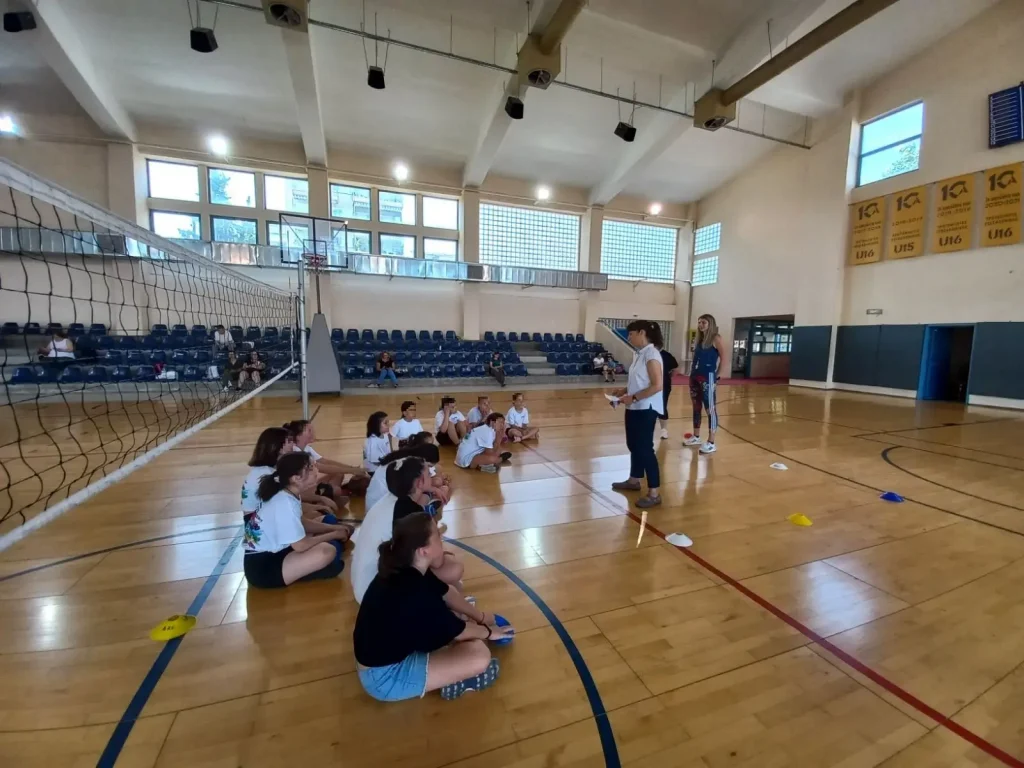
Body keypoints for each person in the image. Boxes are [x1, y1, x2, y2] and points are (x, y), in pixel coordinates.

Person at [353, 512, 512, 702]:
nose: (441, 537)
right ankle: (458, 680)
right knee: (479, 655)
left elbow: (447, 592)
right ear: (423, 550)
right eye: (437, 535)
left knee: (456, 598)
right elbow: (459, 631)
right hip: (384, 678)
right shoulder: (414, 592)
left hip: (386, 653)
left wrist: (481, 617)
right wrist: (490, 632)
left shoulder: (409, 568)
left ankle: (444, 668)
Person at [352, 454, 462, 603]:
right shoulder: (410, 513)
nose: (432, 477)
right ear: (419, 482)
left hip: (364, 583)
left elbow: (421, 500)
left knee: (444, 570)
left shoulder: (393, 499)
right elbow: (437, 562)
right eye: (428, 475)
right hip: (378, 592)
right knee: (454, 569)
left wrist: (432, 491)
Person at [242, 452, 350, 589]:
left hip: (279, 550)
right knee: (328, 551)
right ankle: (312, 569)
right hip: (263, 566)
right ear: (296, 478)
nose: (316, 470)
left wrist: (333, 529)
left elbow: (301, 522)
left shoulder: (288, 492)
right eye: (311, 468)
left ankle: (313, 564)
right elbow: (300, 546)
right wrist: (333, 534)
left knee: (328, 522)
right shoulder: (284, 502)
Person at [609, 320, 664, 509]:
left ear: (642, 333)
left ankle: (654, 492)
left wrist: (633, 397)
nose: (629, 337)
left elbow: (657, 385)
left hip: (645, 408)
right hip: (634, 407)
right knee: (633, 445)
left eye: (631, 334)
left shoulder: (651, 354)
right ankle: (634, 480)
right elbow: (640, 381)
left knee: (645, 449)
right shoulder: (639, 354)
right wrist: (624, 391)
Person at [243, 426, 340, 520]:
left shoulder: (268, 469)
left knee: (322, 509)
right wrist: (319, 503)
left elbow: (290, 501)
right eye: (289, 441)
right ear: (278, 447)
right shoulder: (267, 474)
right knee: (318, 515)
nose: (293, 444)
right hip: (258, 521)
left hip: (265, 516)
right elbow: (286, 505)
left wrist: (320, 501)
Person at [283, 419, 371, 496]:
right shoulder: (296, 453)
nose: (313, 432)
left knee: (338, 474)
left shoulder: (306, 448)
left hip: (307, 485)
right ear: (298, 436)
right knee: (336, 490)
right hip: (300, 490)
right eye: (309, 431)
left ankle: (330, 494)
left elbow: (325, 461)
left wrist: (352, 468)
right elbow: (322, 468)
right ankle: (334, 494)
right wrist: (351, 471)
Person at [364, 437, 451, 512]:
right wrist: (434, 490)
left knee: (426, 489)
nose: (429, 470)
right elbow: (418, 489)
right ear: (424, 459)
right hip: (383, 507)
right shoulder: (410, 465)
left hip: (375, 505)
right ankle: (424, 509)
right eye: (429, 466)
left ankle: (426, 504)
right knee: (421, 493)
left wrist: (434, 489)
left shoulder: (405, 457)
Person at [683, 314, 726, 455]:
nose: (701, 325)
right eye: (699, 322)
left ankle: (711, 442)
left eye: (704, 322)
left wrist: (717, 375)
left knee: (710, 409)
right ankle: (696, 436)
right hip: (695, 376)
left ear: (710, 324)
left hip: (708, 377)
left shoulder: (716, 338)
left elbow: (724, 358)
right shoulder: (699, 339)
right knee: (696, 407)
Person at [656, 337, 679, 441]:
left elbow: (675, 369)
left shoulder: (667, 355)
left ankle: (664, 430)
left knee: (662, 406)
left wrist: (668, 376)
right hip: (649, 385)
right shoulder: (648, 355)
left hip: (664, 385)